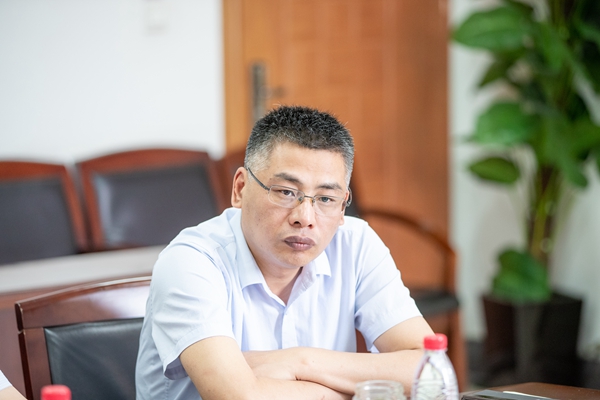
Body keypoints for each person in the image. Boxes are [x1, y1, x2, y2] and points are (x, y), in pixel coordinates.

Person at [135, 105, 434, 400]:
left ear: (343, 206)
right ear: (240, 189)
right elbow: (239, 397)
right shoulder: (189, 262)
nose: (305, 217)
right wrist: (360, 390)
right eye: (286, 192)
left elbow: (430, 370)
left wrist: (300, 361)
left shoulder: (356, 244)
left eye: (326, 198)